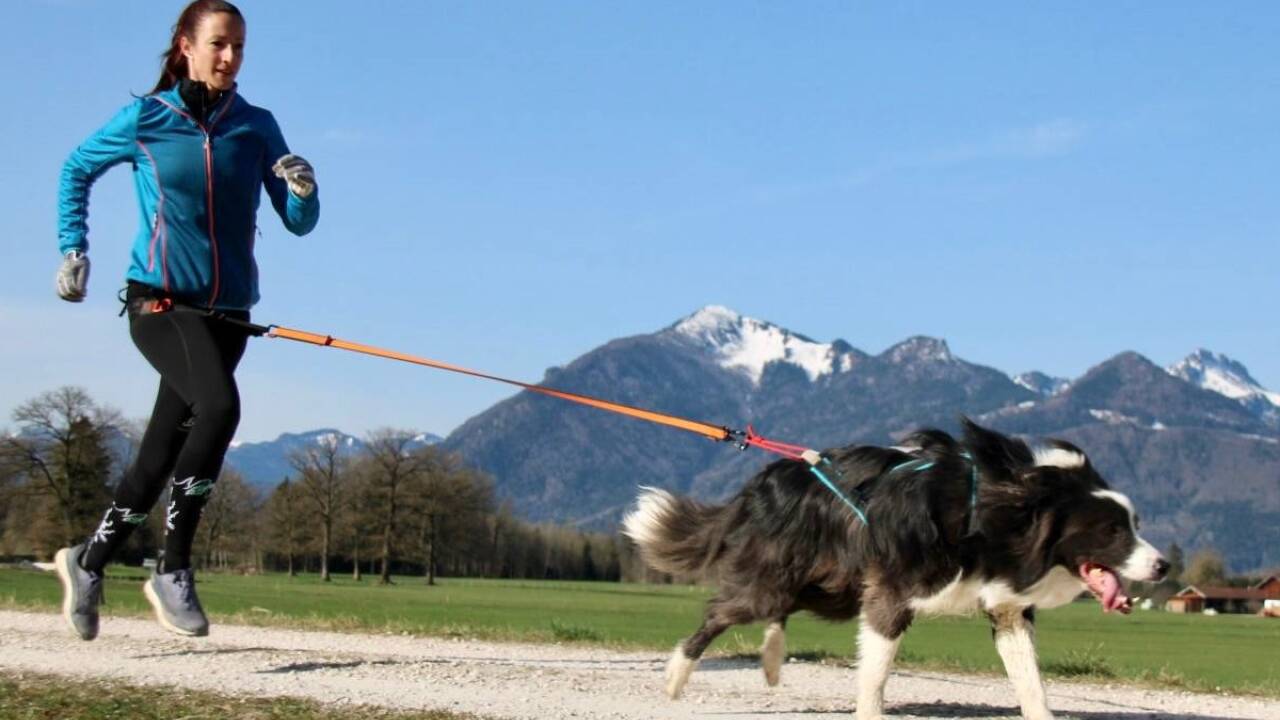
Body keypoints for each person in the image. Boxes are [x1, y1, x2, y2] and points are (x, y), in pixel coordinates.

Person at [53, 0, 319, 640]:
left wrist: (304, 192)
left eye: (239, 47)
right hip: (161, 303)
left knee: (158, 456)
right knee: (220, 408)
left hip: (230, 314)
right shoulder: (147, 118)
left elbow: (297, 223)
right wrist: (73, 248)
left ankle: (87, 562)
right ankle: (171, 568)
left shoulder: (256, 125)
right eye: (219, 44)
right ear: (186, 46)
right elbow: (76, 169)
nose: (230, 58)